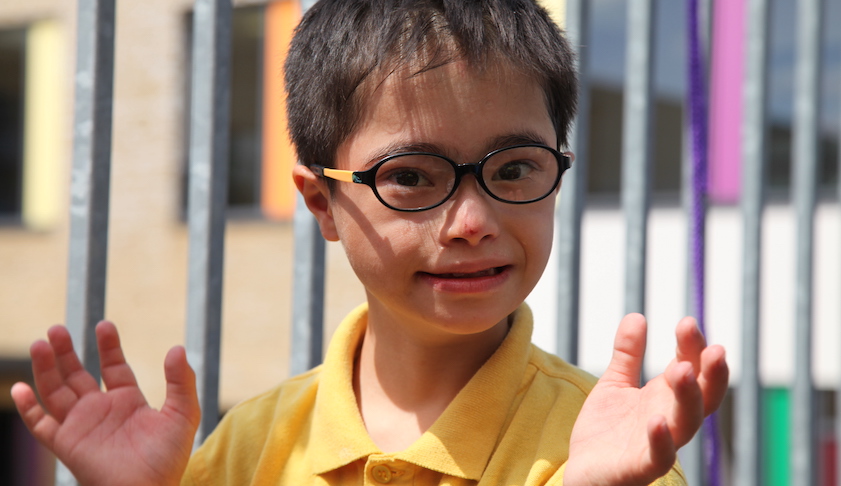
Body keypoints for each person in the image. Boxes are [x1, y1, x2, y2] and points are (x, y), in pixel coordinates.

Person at [11, 1, 729, 485]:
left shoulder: (609, 453)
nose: (472, 218)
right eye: (411, 177)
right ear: (321, 202)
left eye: (513, 169)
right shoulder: (250, 448)